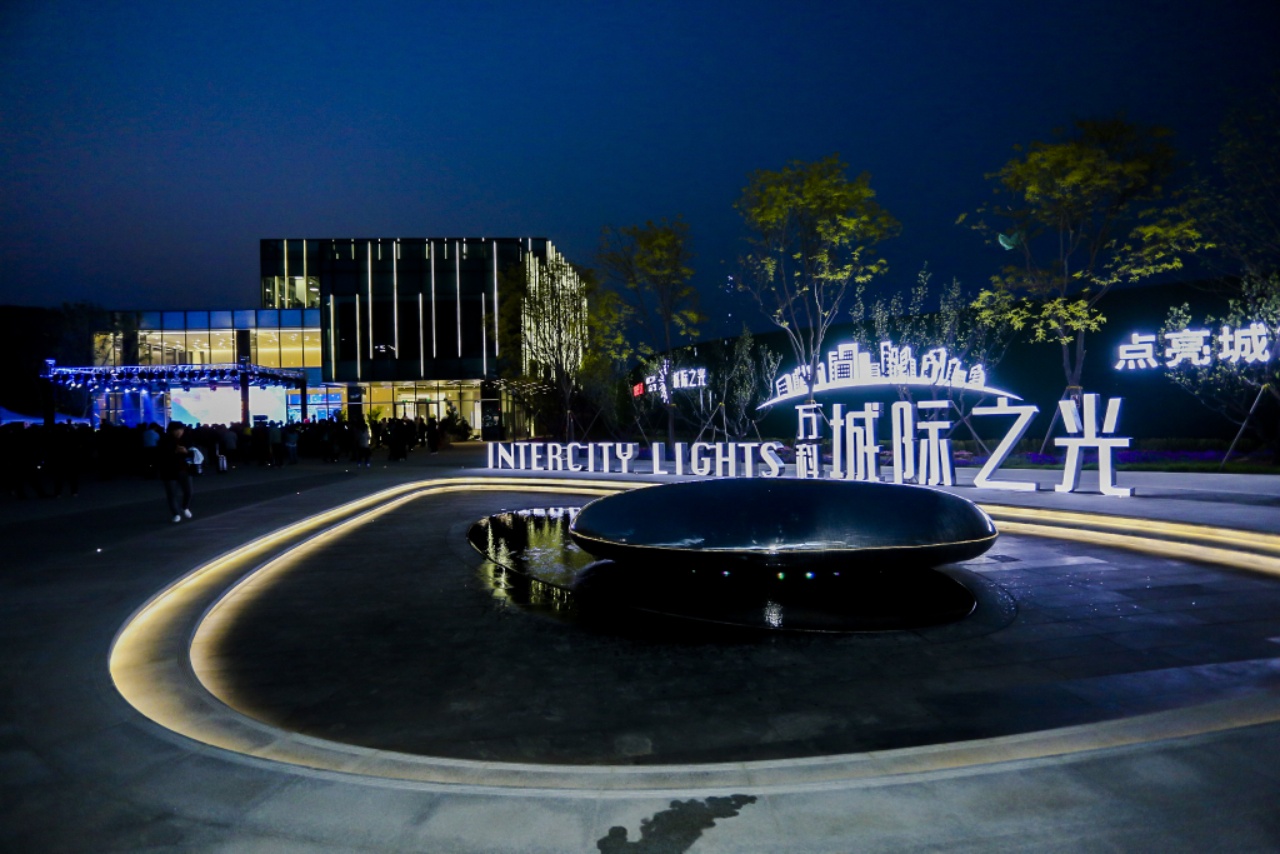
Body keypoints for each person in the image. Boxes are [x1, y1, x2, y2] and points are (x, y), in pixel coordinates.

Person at [158, 421, 193, 523]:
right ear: (171, 431)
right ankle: (176, 514)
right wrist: (174, 451)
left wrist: (186, 452)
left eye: (181, 430)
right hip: (169, 470)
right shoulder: (164, 440)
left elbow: (193, 453)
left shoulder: (187, 439)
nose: (179, 432)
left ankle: (184, 507)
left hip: (184, 469)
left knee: (189, 492)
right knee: (172, 494)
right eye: (177, 430)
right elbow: (160, 455)